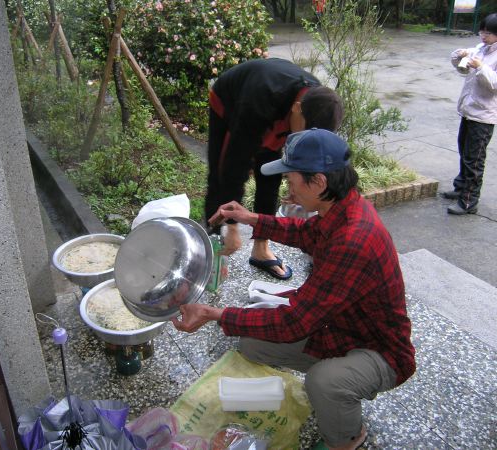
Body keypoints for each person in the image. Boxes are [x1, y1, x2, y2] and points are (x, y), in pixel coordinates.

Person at [174, 129, 416, 450]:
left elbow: (293, 324)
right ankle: (335, 375)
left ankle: (347, 437)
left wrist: (211, 313)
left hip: (378, 351)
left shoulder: (355, 238)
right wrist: (250, 218)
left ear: (318, 182)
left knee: (323, 383)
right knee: (252, 343)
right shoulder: (340, 208)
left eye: (291, 180)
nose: (288, 187)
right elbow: (305, 232)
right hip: (337, 326)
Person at [205, 57, 344, 279]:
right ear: (297, 110)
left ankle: (260, 249)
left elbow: (298, 159)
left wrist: (296, 186)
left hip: (276, 109)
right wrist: (232, 226)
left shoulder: (320, 102)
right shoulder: (257, 106)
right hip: (231, 100)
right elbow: (233, 169)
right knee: (220, 171)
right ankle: (213, 244)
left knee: (269, 177)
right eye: (304, 134)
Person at [441, 13, 497, 215]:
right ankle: (460, 188)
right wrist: (460, 56)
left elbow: (494, 85)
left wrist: (481, 67)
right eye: (482, 32)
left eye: (489, 33)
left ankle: (469, 201)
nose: (484, 36)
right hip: (468, 111)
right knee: (465, 153)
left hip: (483, 116)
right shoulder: (480, 49)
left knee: (474, 159)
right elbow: (462, 69)